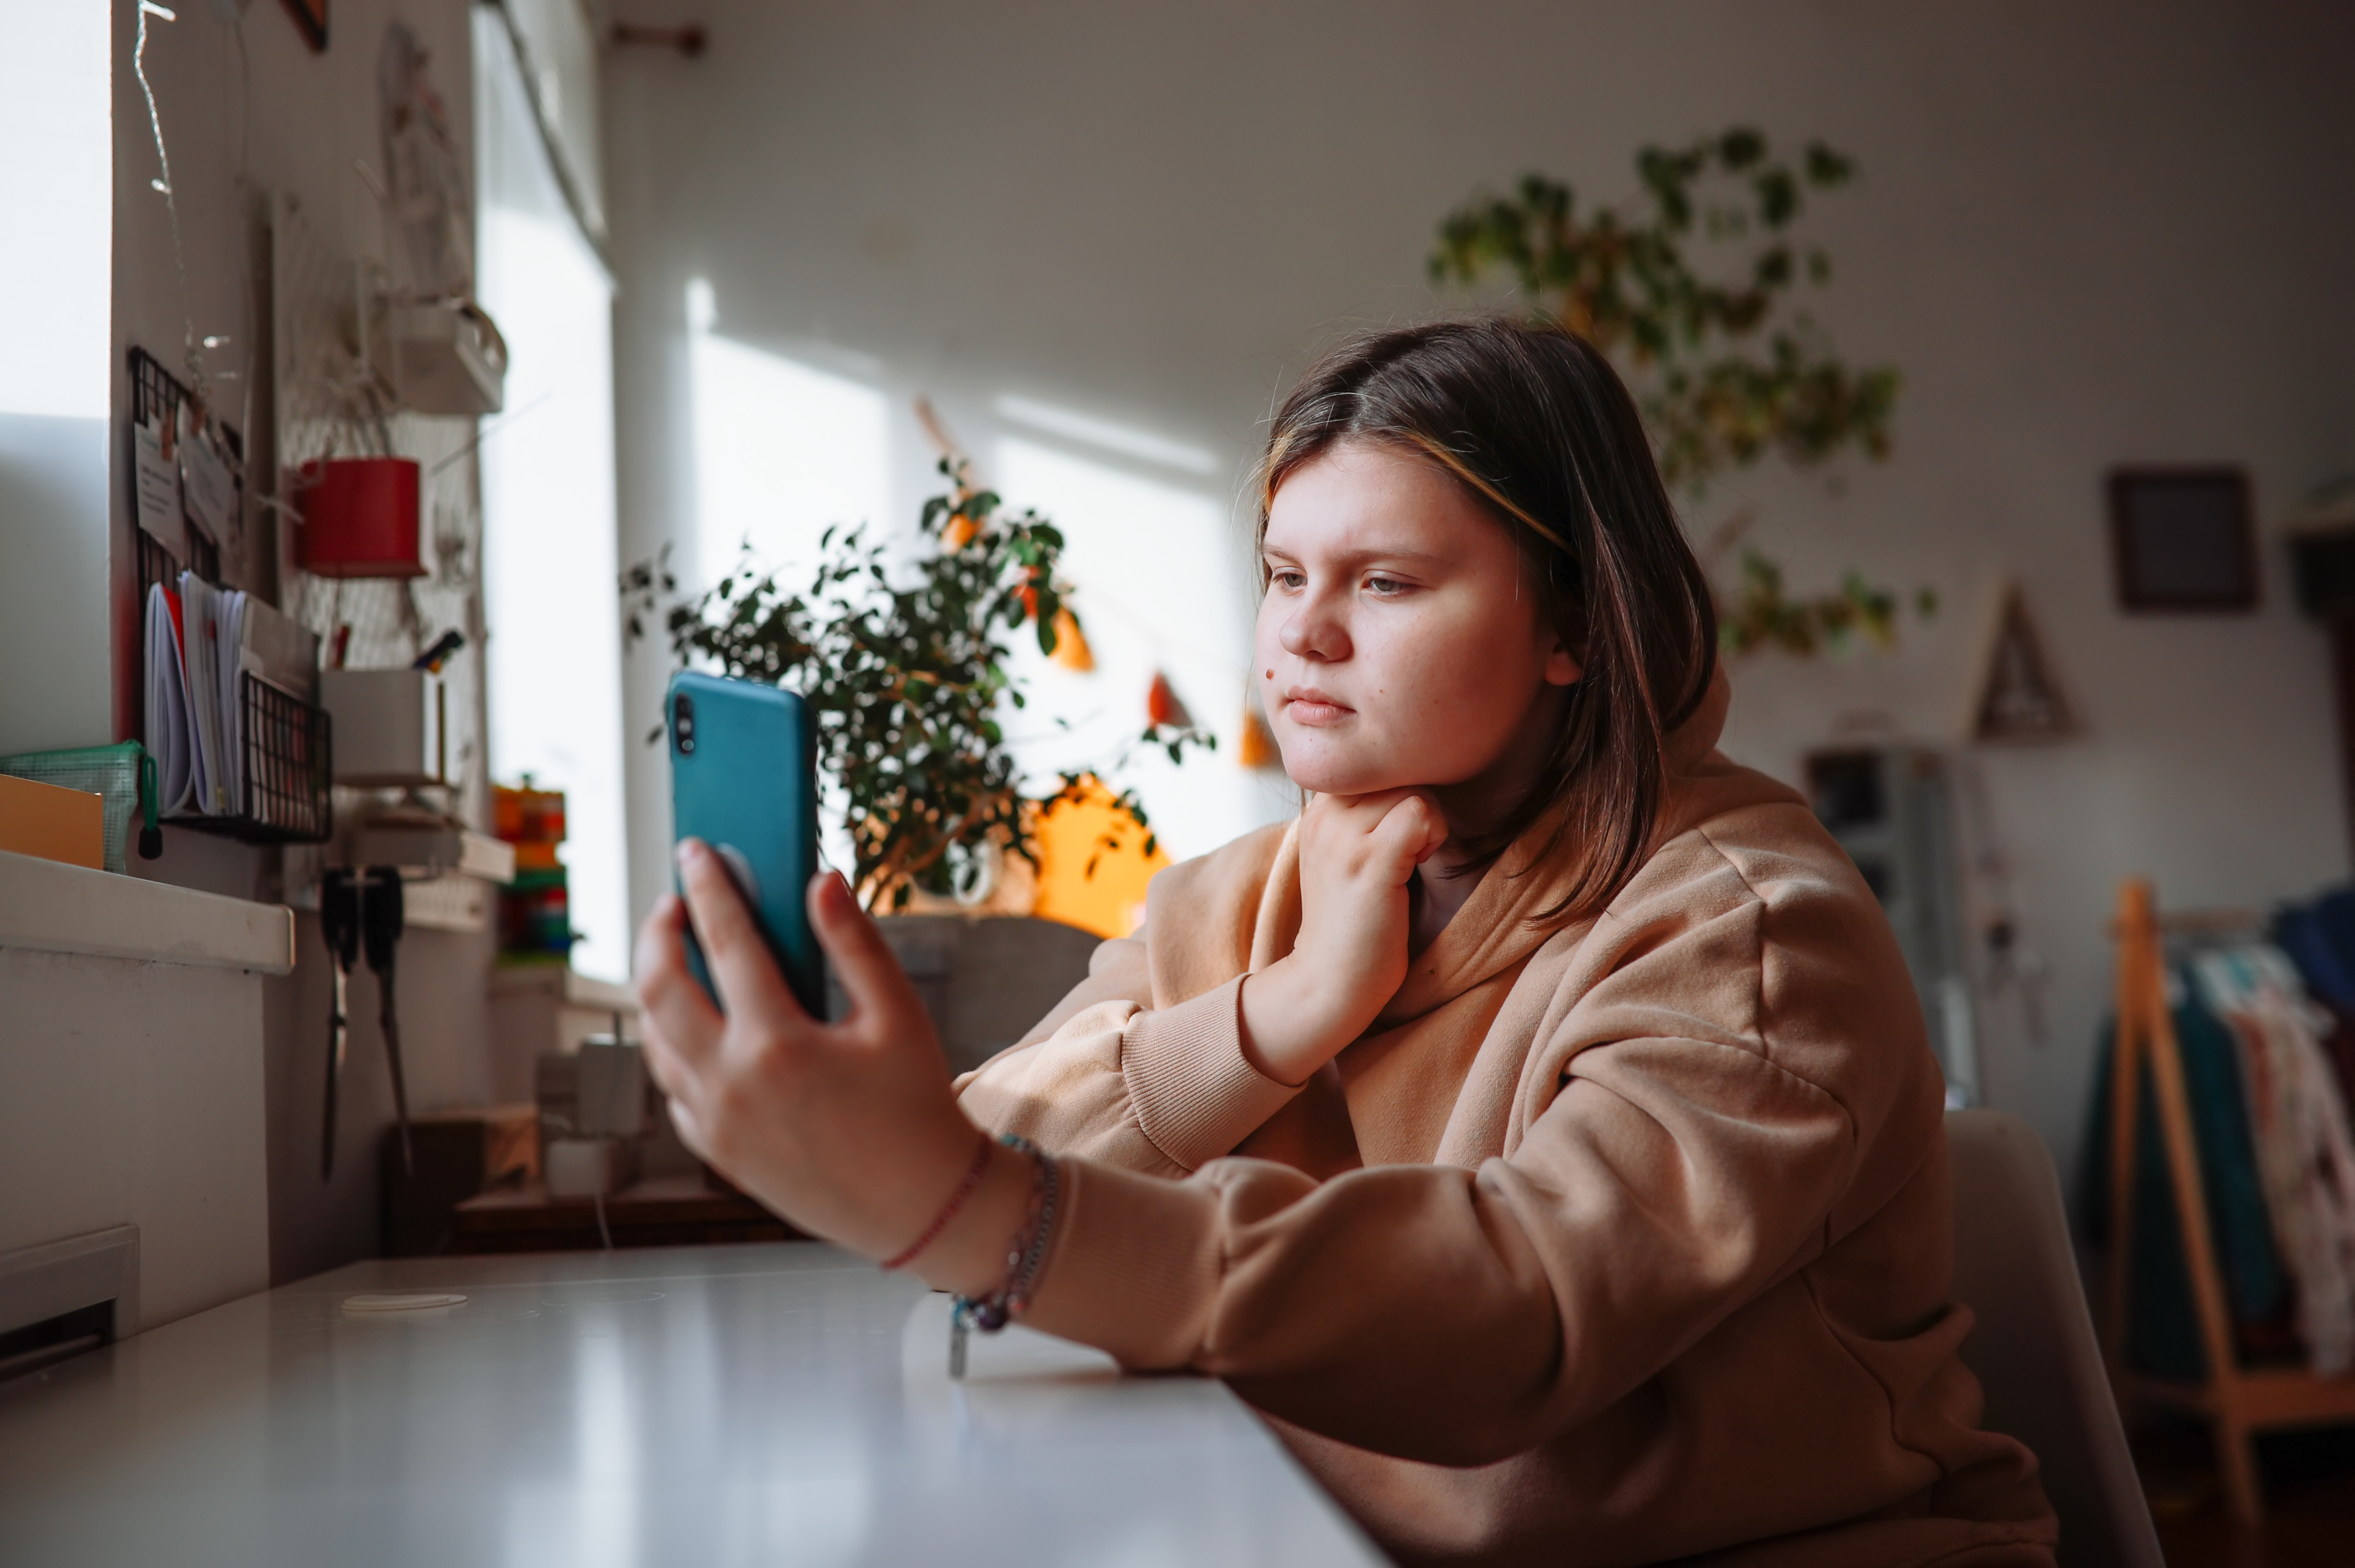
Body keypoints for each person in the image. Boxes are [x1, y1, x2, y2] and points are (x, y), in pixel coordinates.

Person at [634, 318, 2058, 1566]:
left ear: (1572, 624)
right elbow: (992, 1135)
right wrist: (1274, 1018)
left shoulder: (1749, 931)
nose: (1303, 635)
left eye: (1385, 583)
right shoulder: (1243, 901)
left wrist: (996, 1213)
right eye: (1283, 572)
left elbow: (1525, 1313)